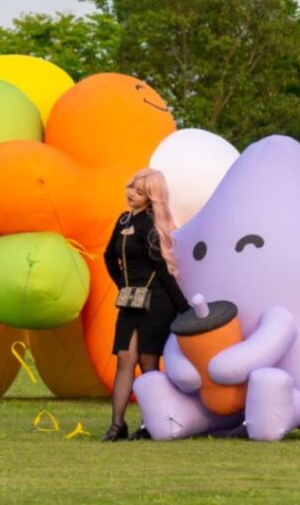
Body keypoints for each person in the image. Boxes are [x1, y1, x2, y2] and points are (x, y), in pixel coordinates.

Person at [102, 168, 189, 441]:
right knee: (125, 359)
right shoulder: (123, 219)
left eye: (139, 191)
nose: (131, 193)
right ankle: (117, 425)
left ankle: (150, 424)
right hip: (131, 301)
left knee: (148, 362)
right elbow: (108, 256)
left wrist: (182, 306)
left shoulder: (151, 224)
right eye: (131, 187)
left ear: (151, 197)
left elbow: (162, 268)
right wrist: (122, 285)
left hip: (157, 301)